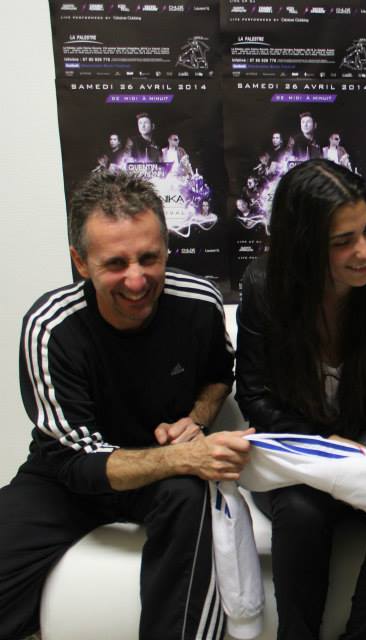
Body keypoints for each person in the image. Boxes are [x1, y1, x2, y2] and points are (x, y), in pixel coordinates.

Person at [0, 171, 253, 640]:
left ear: (167, 250)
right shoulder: (51, 325)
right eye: (116, 263)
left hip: (162, 479)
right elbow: (76, 463)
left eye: (149, 258)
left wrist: (195, 419)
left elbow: (219, 376)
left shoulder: (200, 303)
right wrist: (184, 456)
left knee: (191, 495)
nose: (137, 280)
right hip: (66, 480)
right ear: (81, 262)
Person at [235, 159, 366, 640]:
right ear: (303, 245)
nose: (365, 250)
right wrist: (323, 443)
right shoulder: (264, 286)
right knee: (300, 513)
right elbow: (254, 393)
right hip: (303, 460)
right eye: (343, 241)